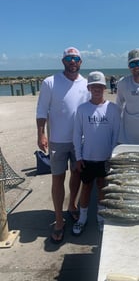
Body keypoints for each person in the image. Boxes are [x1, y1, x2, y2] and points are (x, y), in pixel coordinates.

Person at [36, 47, 91, 243]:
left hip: (80, 141)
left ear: (81, 62)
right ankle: (59, 219)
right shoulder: (50, 82)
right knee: (57, 179)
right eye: (69, 58)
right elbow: (41, 110)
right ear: (63, 61)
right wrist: (41, 134)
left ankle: (72, 206)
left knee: (77, 174)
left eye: (76, 58)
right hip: (57, 141)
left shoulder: (86, 84)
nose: (72, 61)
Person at [72, 71, 120, 234]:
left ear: (105, 88)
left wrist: (111, 156)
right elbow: (77, 135)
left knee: (102, 188)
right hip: (87, 158)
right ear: (89, 88)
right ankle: (82, 218)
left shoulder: (113, 109)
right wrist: (78, 157)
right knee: (85, 188)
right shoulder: (82, 109)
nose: (97, 89)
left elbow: (115, 134)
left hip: (105, 159)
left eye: (100, 86)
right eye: (93, 86)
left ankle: (101, 218)